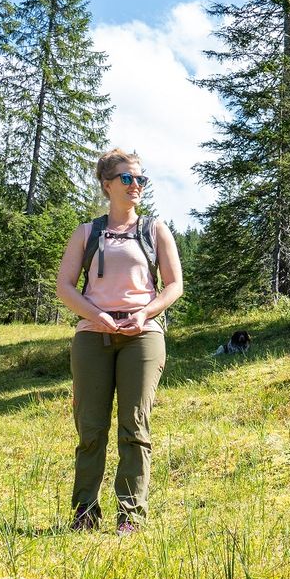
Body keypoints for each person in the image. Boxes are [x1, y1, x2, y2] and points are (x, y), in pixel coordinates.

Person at [56, 149, 183, 535]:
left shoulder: (155, 230)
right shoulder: (86, 232)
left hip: (143, 336)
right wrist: (97, 316)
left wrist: (145, 313)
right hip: (92, 335)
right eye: (127, 178)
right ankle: (84, 512)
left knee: (135, 425)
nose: (135, 185)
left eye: (140, 179)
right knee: (91, 429)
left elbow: (174, 285)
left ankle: (130, 515)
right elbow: (65, 286)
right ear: (107, 184)